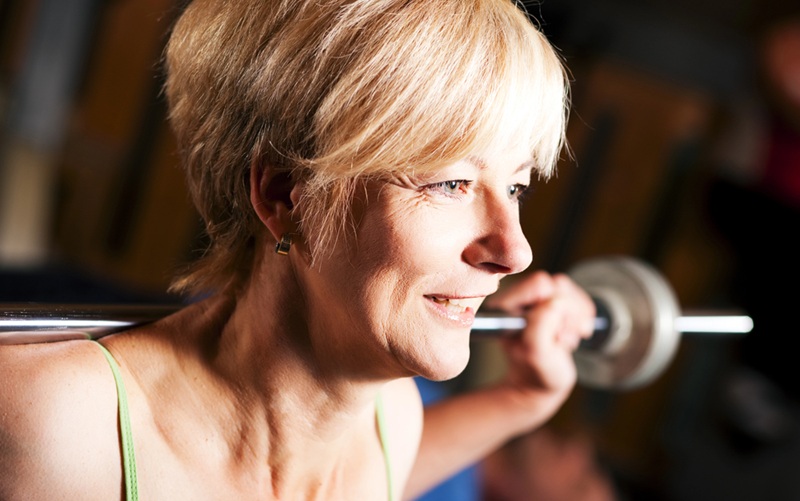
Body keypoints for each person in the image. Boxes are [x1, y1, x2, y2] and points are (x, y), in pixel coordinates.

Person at [0, 1, 596, 499]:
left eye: (515, 187)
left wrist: (521, 398)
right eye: (450, 183)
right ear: (285, 194)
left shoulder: (390, 425)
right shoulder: (50, 425)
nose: (514, 251)